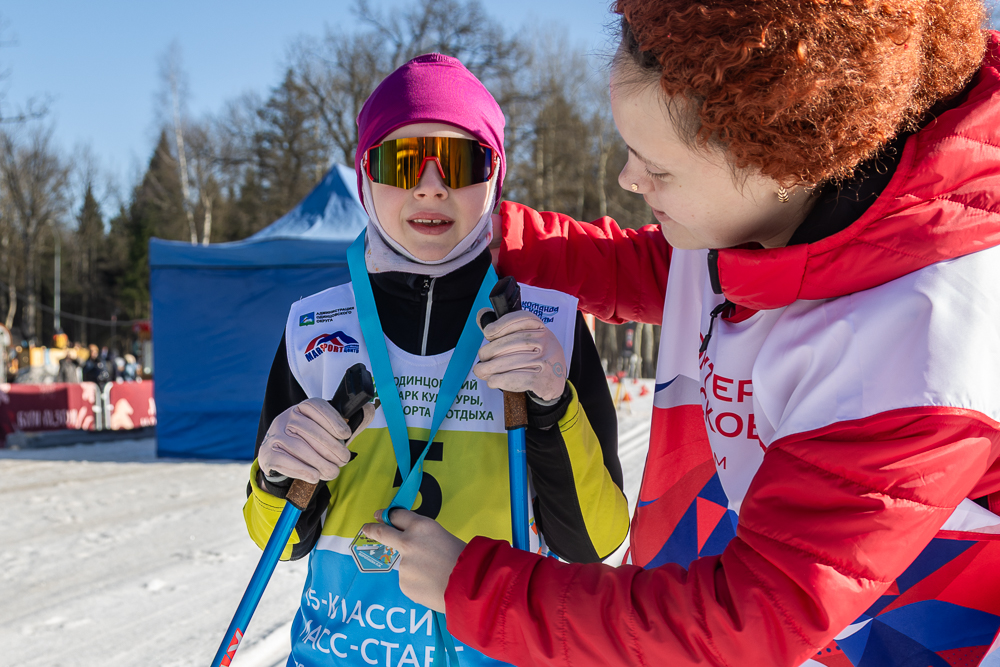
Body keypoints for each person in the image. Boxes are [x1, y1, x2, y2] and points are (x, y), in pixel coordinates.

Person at [362, 2, 1000, 666]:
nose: (627, 179)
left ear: (780, 161)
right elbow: (658, 269)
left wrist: (474, 588)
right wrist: (491, 234)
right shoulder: (757, 216)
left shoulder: (922, 349)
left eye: (655, 168)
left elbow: (742, 624)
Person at [244, 53, 628, 667]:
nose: (430, 185)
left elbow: (594, 543)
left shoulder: (546, 324)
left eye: (459, 161)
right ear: (365, 175)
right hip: (344, 650)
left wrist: (553, 403)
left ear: (495, 177)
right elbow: (278, 544)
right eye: (402, 162)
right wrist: (273, 474)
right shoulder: (316, 325)